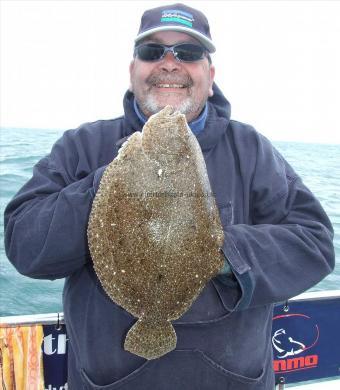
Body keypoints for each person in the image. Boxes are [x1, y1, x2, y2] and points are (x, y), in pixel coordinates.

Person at [4, 3, 334, 390]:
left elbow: (315, 244)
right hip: (107, 381)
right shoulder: (84, 145)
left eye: (189, 53)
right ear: (132, 72)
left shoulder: (250, 150)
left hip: (234, 382)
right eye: (152, 52)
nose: (170, 63)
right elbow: (26, 246)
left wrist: (220, 254)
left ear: (210, 77)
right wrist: (111, 183)